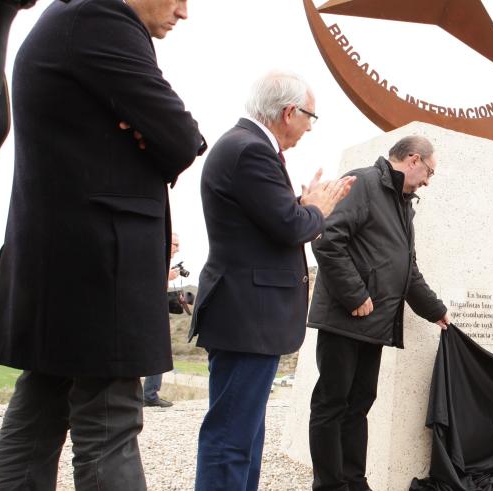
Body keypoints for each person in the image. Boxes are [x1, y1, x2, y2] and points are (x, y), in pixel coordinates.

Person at [0, 0, 205, 488]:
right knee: (110, 425)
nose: (184, 12)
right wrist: (152, 138)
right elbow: (183, 136)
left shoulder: (68, 18)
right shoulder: (101, 19)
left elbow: (168, 137)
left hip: (62, 262)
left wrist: (149, 134)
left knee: (38, 413)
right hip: (97, 267)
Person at [189, 70, 353, 490]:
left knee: (244, 433)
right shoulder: (251, 151)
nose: (310, 127)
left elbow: (267, 218)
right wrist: (316, 210)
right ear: (288, 111)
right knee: (231, 437)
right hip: (248, 315)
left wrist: (301, 203)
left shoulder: (246, 147)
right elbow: (288, 227)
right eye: (310, 117)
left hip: (246, 314)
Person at [308, 135, 449, 491]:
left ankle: (354, 482)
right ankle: (328, 485)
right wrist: (355, 295)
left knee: (359, 405)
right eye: (429, 171)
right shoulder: (363, 183)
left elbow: (407, 270)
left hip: (374, 325)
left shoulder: (403, 204)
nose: (428, 181)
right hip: (345, 318)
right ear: (414, 160)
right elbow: (326, 239)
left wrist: (436, 311)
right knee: (331, 404)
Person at [143, 232, 185, 409]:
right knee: (157, 349)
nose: (178, 249)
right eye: (175, 245)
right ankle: (149, 395)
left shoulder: (158, 259)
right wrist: (167, 277)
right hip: (148, 312)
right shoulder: (153, 258)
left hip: (154, 311)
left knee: (157, 350)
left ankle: (149, 394)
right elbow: (145, 281)